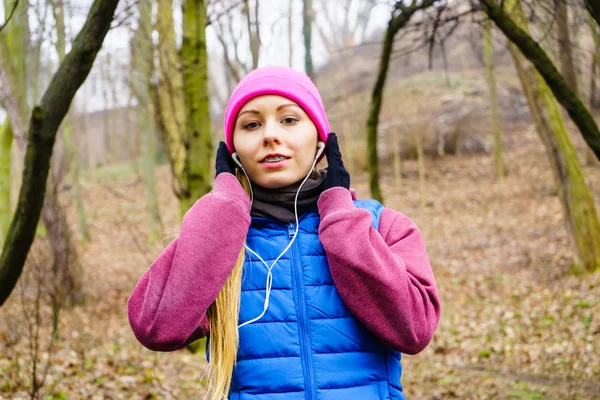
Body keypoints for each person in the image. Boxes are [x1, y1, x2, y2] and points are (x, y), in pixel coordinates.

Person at [127, 66, 441, 400]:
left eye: (289, 120)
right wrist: (224, 209)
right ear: (233, 149)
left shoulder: (382, 226)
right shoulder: (219, 241)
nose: (270, 135)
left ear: (321, 140)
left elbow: (415, 330)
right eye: (251, 124)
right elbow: (156, 328)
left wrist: (339, 220)